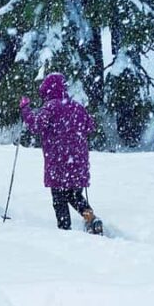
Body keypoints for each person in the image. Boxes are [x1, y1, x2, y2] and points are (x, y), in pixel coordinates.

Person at [20, 73, 103, 235]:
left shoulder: (50, 107)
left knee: (59, 197)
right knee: (73, 195)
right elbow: (90, 126)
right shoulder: (78, 107)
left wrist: (25, 109)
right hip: (77, 161)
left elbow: (36, 125)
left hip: (58, 161)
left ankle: (65, 231)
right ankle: (91, 218)